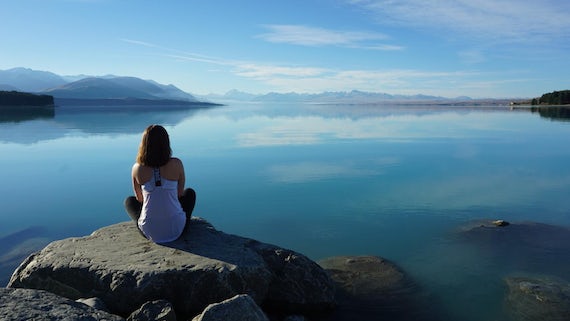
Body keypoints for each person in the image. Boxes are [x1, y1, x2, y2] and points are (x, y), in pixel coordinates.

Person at [124, 124, 196, 243]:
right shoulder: (177, 164)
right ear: (166, 143)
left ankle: (150, 220)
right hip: (177, 229)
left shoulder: (137, 168)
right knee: (190, 193)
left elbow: (139, 199)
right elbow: (179, 194)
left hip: (148, 231)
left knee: (129, 201)